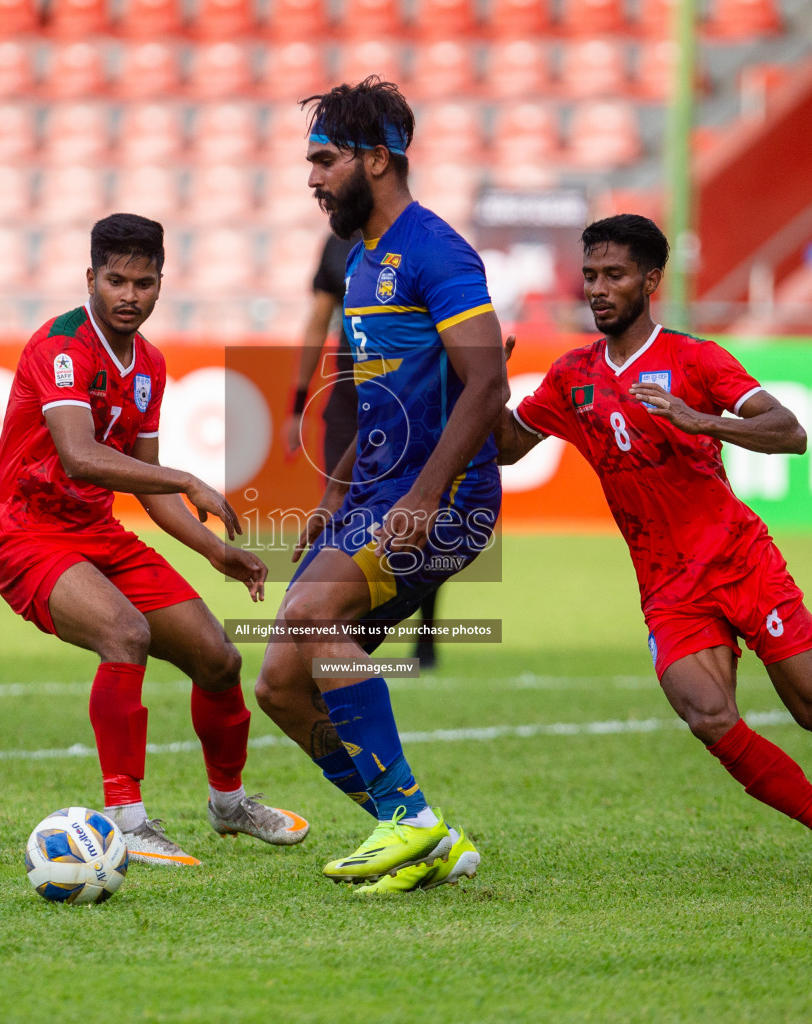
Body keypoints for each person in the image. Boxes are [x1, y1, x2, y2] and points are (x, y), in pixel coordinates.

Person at [496, 214, 812, 889]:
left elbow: (789, 432)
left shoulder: (695, 359)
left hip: (740, 561)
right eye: (590, 275)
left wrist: (701, 420)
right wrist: (477, 392)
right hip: (666, 585)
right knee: (708, 716)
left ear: (650, 281)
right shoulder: (572, 376)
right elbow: (508, 447)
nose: (598, 288)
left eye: (614, 275)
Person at [0, 214, 310, 867]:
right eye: (116, 280)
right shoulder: (61, 347)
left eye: (144, 281)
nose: (129, 294)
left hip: (95, 532)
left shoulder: (149, 365)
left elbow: (145, 485)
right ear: (91, 279)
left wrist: (214, 549)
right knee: (124, 634)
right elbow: (79, 455)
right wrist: (189, 477)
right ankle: (124, 819)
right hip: (25, 534)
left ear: (162, 283)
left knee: (218, 659)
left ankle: (229, 804)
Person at [253, 77, 503, 895]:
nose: (313, 177)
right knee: (282, 687)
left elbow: (487, 384)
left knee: (312, 616)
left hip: (444, 500)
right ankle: (421, 837)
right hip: (371, 498)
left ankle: (408, 816)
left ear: (377, 159)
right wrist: (333, 501)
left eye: (324, 159)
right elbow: (382, 401)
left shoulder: (438, 252)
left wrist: (425, 497)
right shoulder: (361, 263)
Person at [285, 230, 443, 670]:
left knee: (414, 512)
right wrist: (297, 402)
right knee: (341, 512)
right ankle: (341, 626)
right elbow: (319, 318)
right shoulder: (337, 244)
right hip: (348, 397)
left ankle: (424, 635)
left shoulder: (419, 244)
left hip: (406, 399)